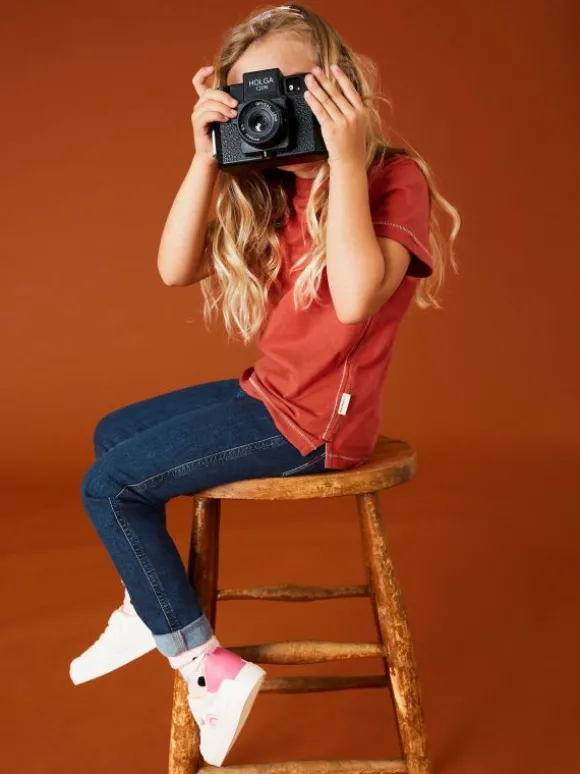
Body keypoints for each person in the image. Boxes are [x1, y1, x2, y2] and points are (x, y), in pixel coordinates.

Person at [69, 3, 460, 767]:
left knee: (108, 487)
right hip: (268, 394)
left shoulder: (391, 176)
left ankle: (205, 665)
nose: (273, 111)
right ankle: (156, 604)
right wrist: (206, 155)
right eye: (256, 96)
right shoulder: (269, 181)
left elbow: (355, 299)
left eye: (291, 89)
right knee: (114, 433)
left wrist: (344, 160)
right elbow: (174, 269)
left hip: (318, 426)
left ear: (339, 84)